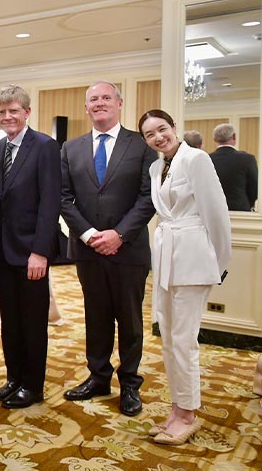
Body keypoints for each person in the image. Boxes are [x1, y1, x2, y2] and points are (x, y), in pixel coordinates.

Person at [60, 80, 156, 417]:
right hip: (87, 251)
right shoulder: (70, 148)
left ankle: (130, 383)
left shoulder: (142, 145)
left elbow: (148, 197)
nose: (99, 103)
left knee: (130, 320)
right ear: (86, 107)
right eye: (93, 99)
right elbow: (64, 198)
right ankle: (98, 377)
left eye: (106, 97)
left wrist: (119, 234)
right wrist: (88, 235)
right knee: (95, 316)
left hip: (128, 251)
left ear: (119, 103)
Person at [138, 109, 230, 444]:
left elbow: (216, 213)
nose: (158, 137)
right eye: (150, 134)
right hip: (166, 260)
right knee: (168, 338)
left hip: (193, 260)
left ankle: (188, 414)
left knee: (183, 340)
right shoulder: (156, 167)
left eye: (162, 129)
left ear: (174, 127)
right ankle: (177, 410)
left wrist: (219, 263)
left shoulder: (197, 159)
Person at [0, 85, 61, 409]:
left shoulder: (45, 146)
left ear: (27, 112)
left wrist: (40, 251)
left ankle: (33, 386)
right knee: (10, 321)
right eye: (1, 112)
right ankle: (13, 378)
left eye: (14, 111)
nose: (8, 117)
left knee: (32, 323)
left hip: (32, 252)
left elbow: (50, 202)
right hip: (3, 254)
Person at [209, 123, 258, 211]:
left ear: (215, 139)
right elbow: (254, 187)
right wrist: (249, 203)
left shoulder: (207, 159)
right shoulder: (247, 159)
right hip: (241, 209)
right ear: (234, 137)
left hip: (214, 209)